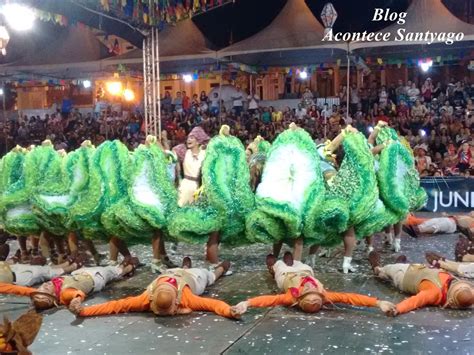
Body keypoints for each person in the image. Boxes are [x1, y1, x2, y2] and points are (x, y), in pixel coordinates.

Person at [69, 257, 242, 319]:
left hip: (194, 276)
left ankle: (221, 268)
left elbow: (213, 305)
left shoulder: (185, 298)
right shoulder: (146, 298)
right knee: (207, 275)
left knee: (210, 276)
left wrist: (228, 310)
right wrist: (83, 312)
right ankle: (188, 266)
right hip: (174, 272)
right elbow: (114, 306)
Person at [233, 252, 395, 314]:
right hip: (305, 272)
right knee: (302, 264)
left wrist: (247, 303)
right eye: (314, 292)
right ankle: (294, 260)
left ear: (300, 298)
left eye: (307, 292)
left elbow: (270, 300)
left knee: (279, 266)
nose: (310, 287)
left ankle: (273, 265)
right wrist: (378, 303)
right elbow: (350, 298)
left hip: (287, 276)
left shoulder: (291, 297)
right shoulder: (325, 295)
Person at [0, 260, 136, 311]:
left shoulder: (47, 289)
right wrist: (76, 300)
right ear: (53, 296)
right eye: (46, 289)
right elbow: (75, 294)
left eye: (41, 288)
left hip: (78, 273)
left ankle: (121, 267)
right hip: (95, 277)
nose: (44, 286)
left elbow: (19, 290)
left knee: (111, 270)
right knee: (112, 272)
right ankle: (129, 267)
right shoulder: (64, 293)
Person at [369, 251, 474, 316]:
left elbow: (415, 301)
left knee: (386, 270)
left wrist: (397, 309)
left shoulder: (433, 293)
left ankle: (377, 269)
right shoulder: (451, 283)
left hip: (404, 274)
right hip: (419, 269)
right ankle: (397, 264)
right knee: (396, 268)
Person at [0, 257, 79, 287]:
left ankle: (65, 264)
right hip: (15, 279)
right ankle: (70, 267)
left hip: (10, 270)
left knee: (39, 269)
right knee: (42, 272)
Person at [403, 212, 474, 239]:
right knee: (433, 221)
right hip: (450, 219)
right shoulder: (468, 217)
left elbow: (470, 232)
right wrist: (448, 215)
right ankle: (416, 228)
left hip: (453, 225)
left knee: (437, 226)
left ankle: (417, 231)